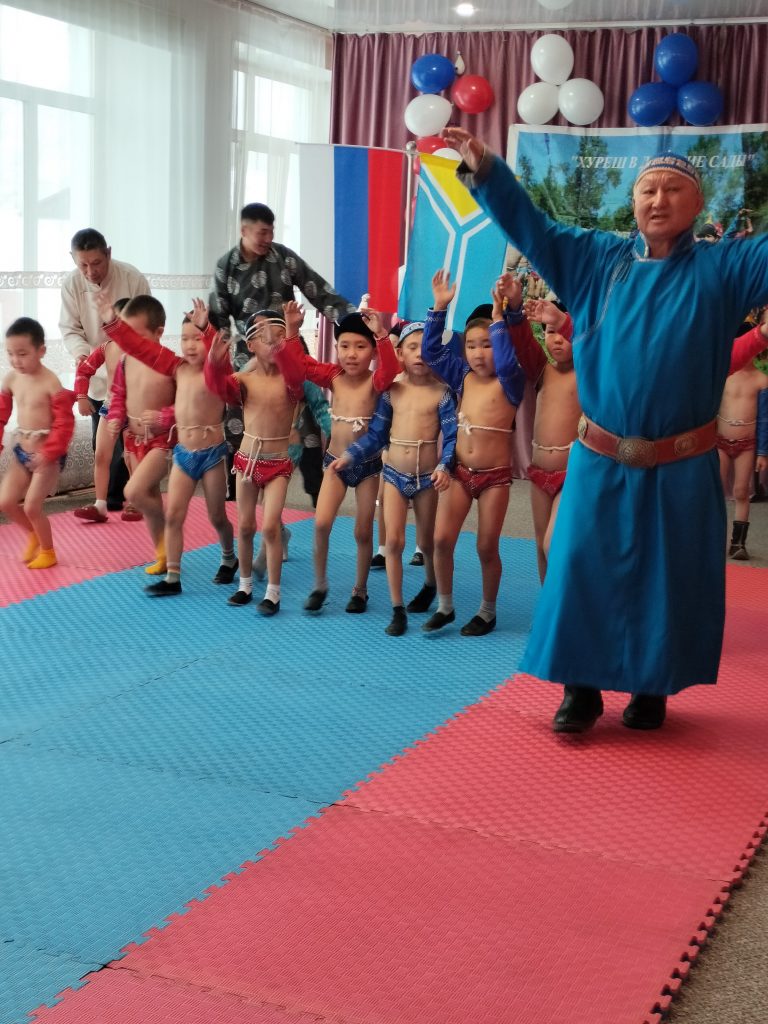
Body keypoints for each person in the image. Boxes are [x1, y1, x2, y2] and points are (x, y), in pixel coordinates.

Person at [444, 126, 768, 732]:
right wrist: (486, 169)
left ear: (698, 203)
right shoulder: (596, 258)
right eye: (648, 189)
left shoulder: (725, 268)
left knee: (669, 580)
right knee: (580, 568)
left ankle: (653, 688)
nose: (658, 199)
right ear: (633, 201)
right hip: (599, 458)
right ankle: (581, 689)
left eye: (674, 189)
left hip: (683, 465)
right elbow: (533, 227)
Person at [96, 295, 237, 594]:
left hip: (211, 455)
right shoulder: (176, 368)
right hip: (184, 455)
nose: (190, 345)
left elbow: (221, 363)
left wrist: (207, 330)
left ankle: (229, 557)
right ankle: (173, 577)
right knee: (173, 515)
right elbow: (139, 348)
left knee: (217, 516)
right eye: (184, 339)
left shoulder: (216, 373)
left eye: (196, 339)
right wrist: (112, 322)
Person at [328, 322, 457, 636]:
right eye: (412, 347)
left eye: (426, 347)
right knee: (395, 542)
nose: (419, 354)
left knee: (426, 542)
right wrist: (351, 454)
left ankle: (430, 585)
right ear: (399, 354)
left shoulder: (442, 394)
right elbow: (376, 434)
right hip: (393, 477)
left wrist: (445, 466)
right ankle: (397, 609)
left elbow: (452, 438)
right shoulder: (391, 391)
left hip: (426, 479)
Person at [421, 270, 525, 637]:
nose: (479, 354)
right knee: (441, 540)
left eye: (488, 345)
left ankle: (487, 611)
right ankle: (445, 606)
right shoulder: (462, 376)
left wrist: (498, 319)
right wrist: (438, 309)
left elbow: (508, 363)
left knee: (485, 546)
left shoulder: (510, 382)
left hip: (494, 478)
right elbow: (430, 352)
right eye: (472, 345)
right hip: (460, 473)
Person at [274, 309, 399, 613]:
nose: (351, 354)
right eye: (344, 346)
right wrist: (292, 332)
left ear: (372, 351)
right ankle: (319, 584)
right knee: (320, 524)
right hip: (334, 464)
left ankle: (360, 590)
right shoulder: (334, 376)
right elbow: (301, 366)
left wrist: (382, 335)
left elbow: (390, 370)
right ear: (336, 347)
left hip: (367, 467)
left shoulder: (375, 382)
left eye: (360, 346)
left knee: (362, 531)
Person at [204, 306, 304, 616]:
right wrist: (214, 362)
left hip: (277, 463)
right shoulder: (243, 380)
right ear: (250, 345)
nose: (272, 341)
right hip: (246, 461)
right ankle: (245, 585)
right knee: (246, 526)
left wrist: (290, 334)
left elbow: (297, 371)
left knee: (271, 526)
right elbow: (219, 387)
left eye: (278, 336)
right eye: (263, 336)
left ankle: (273, 592)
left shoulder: (290, 382)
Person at [59, 228, 150, 512]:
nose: (90, 271)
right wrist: (81, 356)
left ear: (108, 253)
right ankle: (106, 502)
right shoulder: (72, 283)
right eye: (83, 264)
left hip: (133, 381)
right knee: (103, 448)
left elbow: (148, 324)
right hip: (101, 378)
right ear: (73, 259)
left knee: (131, 449)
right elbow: (70, 328)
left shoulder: (132, 278)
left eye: (96, 263)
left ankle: (131, 499)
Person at [504, 282, 580, 583]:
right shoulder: (541, 370)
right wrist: (514, 306)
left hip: (571, 474)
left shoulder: (587, 371)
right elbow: (523, 342)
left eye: (564, 333)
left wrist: (566, 324)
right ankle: (548, 604)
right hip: (539, 472)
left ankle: (565, 603)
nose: (557, 340)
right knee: (540, 544)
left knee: (553, 545)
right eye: (550, 332)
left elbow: (594, 349)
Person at [209, 202, 357, 345]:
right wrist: (219, 354)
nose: (269, 238)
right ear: (244, 231)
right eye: (263, 233)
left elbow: (319, 291)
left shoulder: (283, 256)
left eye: (271, 231)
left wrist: (355, 321)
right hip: (250, 351)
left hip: (288, 343)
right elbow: (218, 318)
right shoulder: (225, 266)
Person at [100, 295, 175, 575]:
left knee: (133, 491)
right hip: (133, 441)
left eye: (137, 336)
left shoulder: (170, 363)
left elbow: (188, 404)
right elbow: (119, 394)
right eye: (126, 334)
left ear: (159, 332)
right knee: (150, 495)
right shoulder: (125, 362)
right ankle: (163, 552)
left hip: (161, 442)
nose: (130, 342)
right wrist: (116, 417)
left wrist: (164, 417)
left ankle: (170, 534)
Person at [0, 318, 74, 569]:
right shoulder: (11, 379)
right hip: (22, 451)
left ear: (41, 351)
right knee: (6, 502)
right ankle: (33, 534)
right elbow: (1, 415)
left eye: (22, 354)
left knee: (32, 506)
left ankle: (48, 551)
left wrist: (49, 452)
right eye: (10, 353)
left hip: (48, 455)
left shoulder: (50, 383)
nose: (15, 360)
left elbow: (65, 424)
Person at [71, 297, 142, 524]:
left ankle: (136, 501)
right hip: (111, 408)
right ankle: (100, 505)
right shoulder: (107, 348)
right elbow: (84, 370)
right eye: (114, 322)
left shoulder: (143, 350)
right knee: (101, 455)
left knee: (132, 457)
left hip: (135, 411)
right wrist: (81, 396)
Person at [717, 321, 768, 560]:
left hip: (747, 445)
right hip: (719, 442)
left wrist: (762, 452)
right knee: (716, 491)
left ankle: (738, 543)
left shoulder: (762, 380)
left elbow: (765, 420)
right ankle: (714, 538)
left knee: (741, 491)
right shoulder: (722, 376)